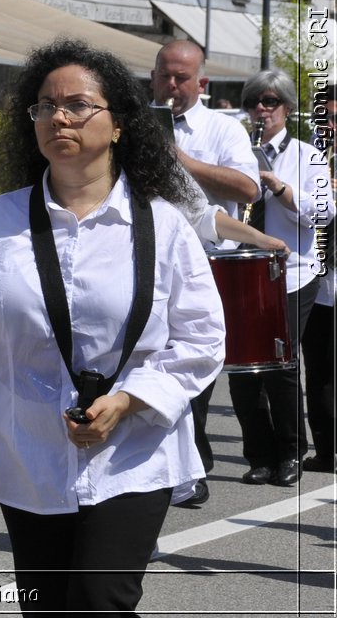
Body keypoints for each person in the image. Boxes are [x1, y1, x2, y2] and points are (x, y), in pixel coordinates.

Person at [0, 38, 224, 616]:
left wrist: (131, 400)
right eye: (45, 107)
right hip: (28, 450)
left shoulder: (163, 225)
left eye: (77, 105)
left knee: (102, 600)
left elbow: (202, 338)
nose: (58, 117)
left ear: (119, 123)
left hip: (134, 452)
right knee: (47, 606)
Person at [150, 38, 258, 506]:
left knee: (193, 370)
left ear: (202, 82)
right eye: (163, 75)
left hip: (206, 262)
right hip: (147, 260)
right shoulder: (134, 122)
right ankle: (183, 464)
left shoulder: (223, 128)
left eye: (181, 78)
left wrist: (182, 161)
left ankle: (188, 465)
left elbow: (249, 188)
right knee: (150, 365)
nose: (171, 85)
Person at [229, 70, 333, 487]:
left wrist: (279, 187)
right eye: (254, 101)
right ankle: (258, 453)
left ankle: (291, 452)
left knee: (281, 364)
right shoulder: (236, 150)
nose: (261, 109)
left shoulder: (307, 156)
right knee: (240, 368)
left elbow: (324, 214)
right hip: (242, 270)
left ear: (287, 108)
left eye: (270, 101)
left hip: (292, 272)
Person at [304, 94, 336, 474]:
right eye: (322, 120)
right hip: (318, 276)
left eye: (334, 120)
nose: (327, 126)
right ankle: (326, 451)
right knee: (319, 369)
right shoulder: (308, 161)